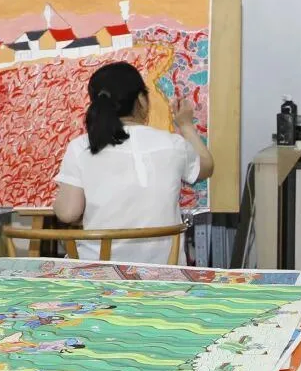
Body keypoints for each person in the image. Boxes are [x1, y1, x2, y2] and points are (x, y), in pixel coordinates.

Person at [53, 61, 213, 263]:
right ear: (141, 100)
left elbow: (68, 213)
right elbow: (206, 167)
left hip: (100, 270)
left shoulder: (82, 146)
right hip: (164, 270)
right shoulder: (172, 144)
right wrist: (186, 125)